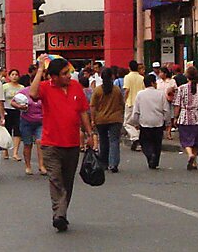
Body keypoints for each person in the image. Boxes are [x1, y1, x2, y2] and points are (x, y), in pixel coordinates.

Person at [30, 54, 94, 233]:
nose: (68, 76)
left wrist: (90, 133)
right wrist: (41, 68)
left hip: (72, 143)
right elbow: (33, 94)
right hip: (51, 144)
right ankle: (59, 214)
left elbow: (82, 112)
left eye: (68, 72)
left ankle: (62, 213)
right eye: (64, 73)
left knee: (67, 181)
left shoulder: (75, 86)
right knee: (56, 179)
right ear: (54, 77)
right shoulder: (45, 87)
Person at [174, 66, 198, 170]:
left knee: (185, 139)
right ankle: (194, 159)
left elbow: (177, 104)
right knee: (197, 140)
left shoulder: (181, 88)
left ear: (187, 76)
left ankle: (190, 154)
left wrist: (175, 117)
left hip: (184, 117)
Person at [131, 74, 172, 169]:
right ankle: (155, 160)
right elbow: (166, 109)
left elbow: (136, 110)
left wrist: (135, 122)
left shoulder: (140, 94)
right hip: (158, 122)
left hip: (145, 122)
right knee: (157, 143)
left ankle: (150, 155)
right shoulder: (161, 94)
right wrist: (168, 121)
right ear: (152, 83)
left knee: (144, 141)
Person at [90, 67, 124, 173]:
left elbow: (92, 106)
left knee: (103, 140)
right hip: (115, 118)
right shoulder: (117, 90)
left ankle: (104, 162)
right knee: (114, 141)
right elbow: (121, 104)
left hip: (101, 119)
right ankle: (113, 164)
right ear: (112, 77)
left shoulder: (97, 90)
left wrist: (92, 119)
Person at [12, 80, 47, 175]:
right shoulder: (24, 91)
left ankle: (41, 165)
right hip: (26, 121)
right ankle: (28, 166)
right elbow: (13, 102)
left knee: (40, 142)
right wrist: (20, 107)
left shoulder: (44, 91)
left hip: (41, 121)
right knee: (27, 144)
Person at [123, 60, 145, 151]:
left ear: (129, 67)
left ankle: (135, 137)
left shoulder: (127, 77)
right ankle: (138, 140)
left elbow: (127, 90)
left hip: (130, 102)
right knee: (138, 123)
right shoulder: (142, 78)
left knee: (127, 123)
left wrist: (124, 100)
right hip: (140, 103)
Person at [2, 69, 24, 161]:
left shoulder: (22, 88)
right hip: (7, 110)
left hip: (18, 111)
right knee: (7, 131)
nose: (14, 76)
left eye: (16, 74)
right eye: (12, 74)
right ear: (9, 76)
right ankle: (5, 150)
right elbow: (0, 99)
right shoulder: (4, 87)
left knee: (17, 131)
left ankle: (15, 152)